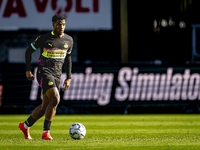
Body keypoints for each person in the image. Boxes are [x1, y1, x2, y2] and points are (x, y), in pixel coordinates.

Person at [19, 14, 73, 140]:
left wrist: (68, 77)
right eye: (59, 24)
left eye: (63, 24)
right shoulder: (44, 39)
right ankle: (46, 132)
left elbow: (68, 58)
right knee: (55, 98)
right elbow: (28, 51)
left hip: (57, 74)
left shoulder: (69, 40)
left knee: (45, 107)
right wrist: (28, 70)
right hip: (43, 72)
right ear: (53, 24)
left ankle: (25, 126)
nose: (61, 27)